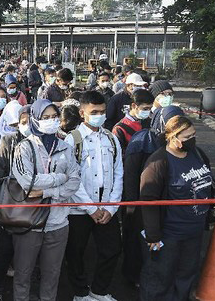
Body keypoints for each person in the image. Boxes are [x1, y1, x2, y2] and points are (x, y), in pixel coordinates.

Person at [140, 115, 215, 300]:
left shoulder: (198, 153)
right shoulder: (158, 162)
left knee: (186, 277)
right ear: (173, 138)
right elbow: (148, 200)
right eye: (187, 137)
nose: (192, 140)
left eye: (194, 134)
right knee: (160, 279)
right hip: (169, 236)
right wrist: (153, 235)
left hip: (194, 233)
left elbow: (206, 179)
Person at [11, 99, 81, 301]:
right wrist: (60, 178)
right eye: (45, 117)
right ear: (35, 119)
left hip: (58, 223)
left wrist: (46, 192)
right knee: (23, 274)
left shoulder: (65, 147)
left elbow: (74, 182)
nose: (51, 121)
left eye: (54, 117)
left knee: (52, 275)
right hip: (30, 223)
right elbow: (27, 182)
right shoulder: (24, 147)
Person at [63, 91, 123, 301]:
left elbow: (118, 174)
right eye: (94, 112)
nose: (99, 115)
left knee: (112, 249)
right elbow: (72, 178)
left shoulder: (111, 138)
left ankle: (99, 291)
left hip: (106, 208)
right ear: (82, 113)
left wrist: (111, 207)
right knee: (75, 252)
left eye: (102, 111)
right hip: (79, 209)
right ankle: (80, 293)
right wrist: (91, 208)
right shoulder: (72, 140)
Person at [120, 105, 184, 286]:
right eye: (172, 122)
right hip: (142, 201)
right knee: (137, 241)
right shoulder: (142, 140)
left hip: (167, 203)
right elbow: (130, 174)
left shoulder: (180, 141)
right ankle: (134, 277)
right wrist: (132, 204)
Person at [0, 104, 31, 300]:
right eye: (22, 122)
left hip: (37, 207)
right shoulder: (8, 141)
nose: (26, 126)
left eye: (30, 121)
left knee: (29, 253)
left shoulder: (44, 142)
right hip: (12, 206)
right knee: (5, 249)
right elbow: (0, 177)